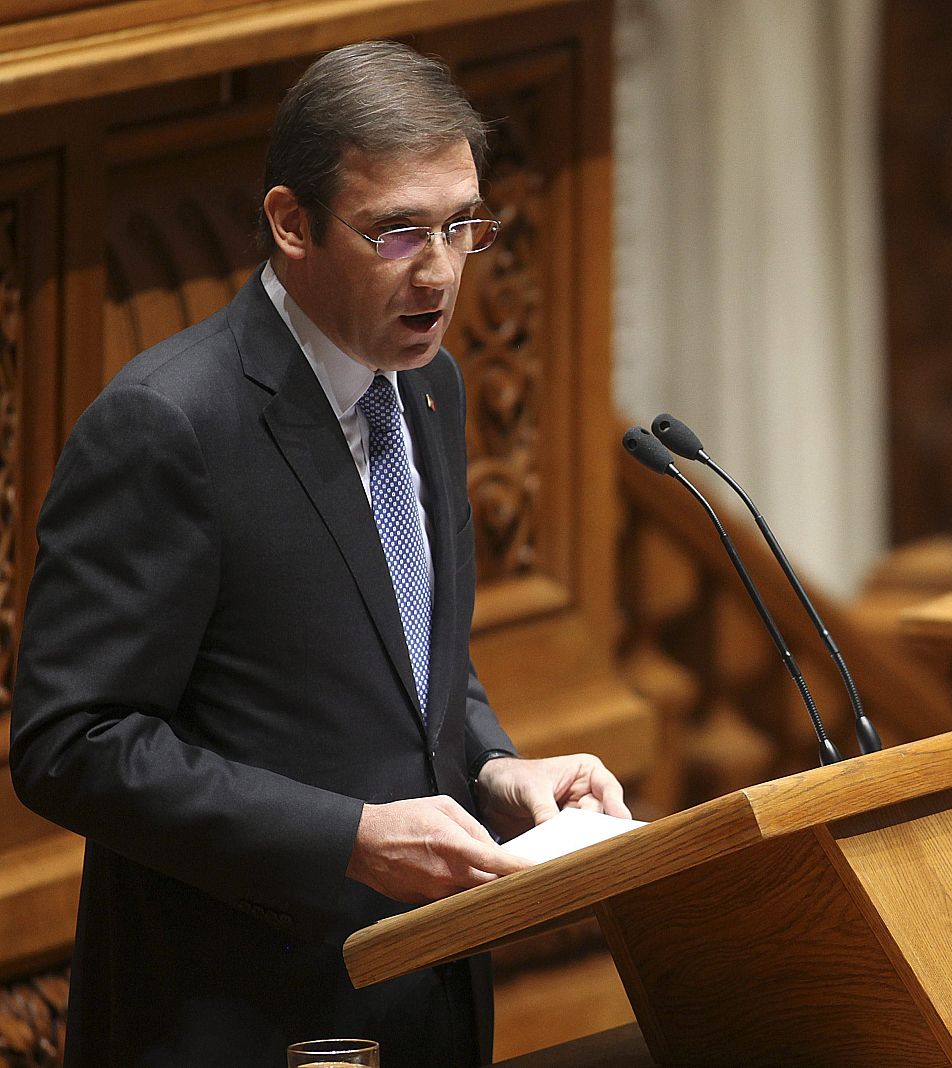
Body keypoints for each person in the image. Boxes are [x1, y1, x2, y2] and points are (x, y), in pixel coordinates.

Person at [7, 39, 628, 1068]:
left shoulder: (430, 389)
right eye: (395, 234)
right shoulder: (170, 427)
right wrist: (346, 837)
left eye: (460, 226)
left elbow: (411, 650)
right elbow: (71, 744)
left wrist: (498, 766)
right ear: (291, 224)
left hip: (422, 998)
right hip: (242, 1017)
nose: (438, 270)